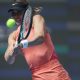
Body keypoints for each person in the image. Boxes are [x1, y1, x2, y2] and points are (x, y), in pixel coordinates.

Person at [4, 0, 71, 80]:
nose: (16, 16)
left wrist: (23, 44)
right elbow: (9, 60)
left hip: (55, 73)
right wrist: (13, 53)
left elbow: (40, 38)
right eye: (13, 13)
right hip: (37, 75)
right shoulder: (13, 36)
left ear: (27, 12)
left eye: (19, 12)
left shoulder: (36, 18)